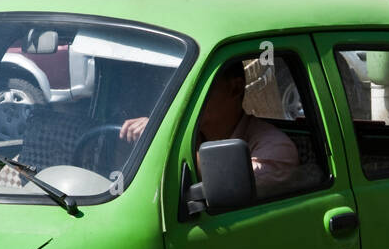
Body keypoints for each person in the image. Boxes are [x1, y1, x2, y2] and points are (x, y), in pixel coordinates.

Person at [121, 59, 299, 193]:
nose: (181, 100)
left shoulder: (275, 148)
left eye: (196, 89)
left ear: (234, 88)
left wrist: (166, 140)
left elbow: (229, 184)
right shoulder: (191, 135)